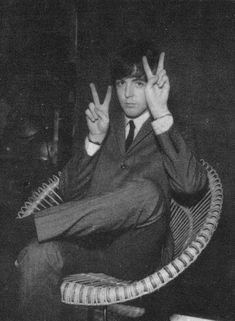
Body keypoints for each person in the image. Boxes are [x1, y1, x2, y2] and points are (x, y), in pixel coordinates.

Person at [1, 40, 207, 321]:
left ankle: (21, 229)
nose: (128, 94)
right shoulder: (105, 125)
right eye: (122, 83)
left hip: (138, 253)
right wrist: (94, 141)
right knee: (38, 255)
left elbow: (192, 185)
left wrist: (161, 114)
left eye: (138, 83)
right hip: (90, 246)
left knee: (146, 193)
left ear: (154, 85)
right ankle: (29, 233)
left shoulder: (172, 127)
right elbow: (68, 192)